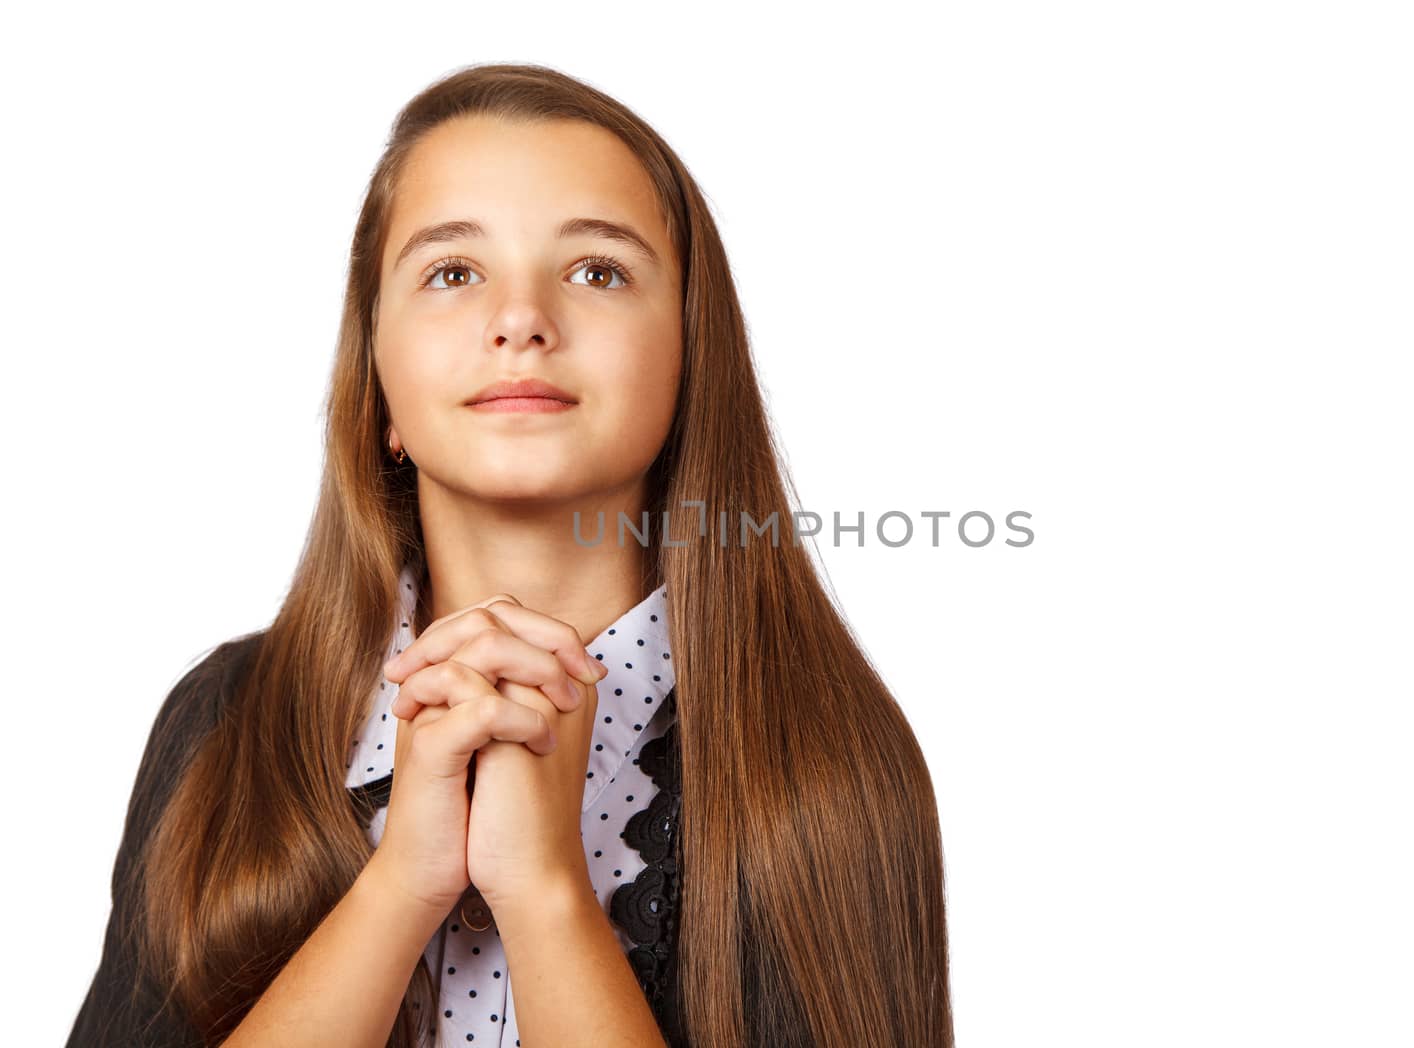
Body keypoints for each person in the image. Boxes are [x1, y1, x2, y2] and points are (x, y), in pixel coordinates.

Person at [68, 63, 952, 1048]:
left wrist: (544, 890)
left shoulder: (824, 759)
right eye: (453, 272)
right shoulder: (224, 722)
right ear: (380, 384)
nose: (521, 318)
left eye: (596, 270)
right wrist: (402, 882)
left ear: (687, 362)